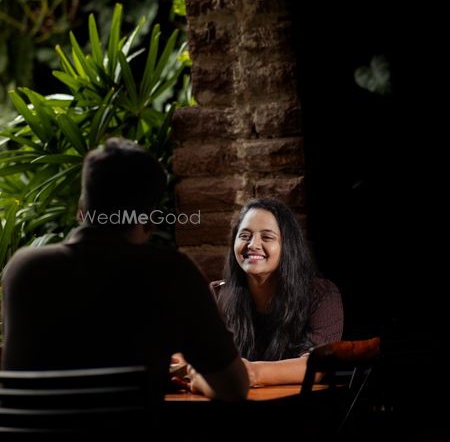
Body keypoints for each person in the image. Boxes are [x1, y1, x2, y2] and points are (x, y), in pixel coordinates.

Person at [1, 137, 248, 404]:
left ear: (81, 210)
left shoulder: (24, 268)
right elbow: (233, 388)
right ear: (151, 218)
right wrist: (193, 380)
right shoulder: (170, 272)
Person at [213, 197, 344, 386]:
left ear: (287, 246)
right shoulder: (216, 295)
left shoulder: (321, 295)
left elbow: (316, 365)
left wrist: (252, 373)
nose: (252, 245)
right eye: (244, 236)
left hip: (301, 403)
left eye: (267, 237)